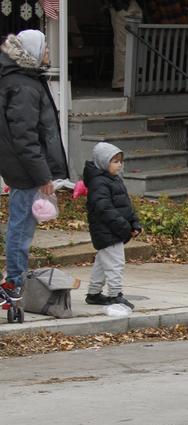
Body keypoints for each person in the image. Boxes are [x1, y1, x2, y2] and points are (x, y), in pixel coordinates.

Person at [0, 30, 69, 298]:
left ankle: (14, 280)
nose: (49, 54)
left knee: (20, 225)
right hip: (25, 169)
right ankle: (13, 283)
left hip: (20, 166)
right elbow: (26, 137)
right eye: (46, 49)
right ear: (32, 52)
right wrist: (43, 175)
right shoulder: (24, 86)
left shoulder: (21, 80)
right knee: (21, 228)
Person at [83, 142, 141, 309]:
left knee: (102, 263)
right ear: (103, 162)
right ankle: (115, 294)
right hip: (107, 231)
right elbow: (104, 208)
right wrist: (124, 227)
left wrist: (134, 222)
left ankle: (93, 293)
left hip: (115, 229)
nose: (119, 165)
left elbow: (125, 206)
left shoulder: (114, 180)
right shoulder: (99, 183)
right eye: (115, 161)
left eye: (120, 161)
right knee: (116, 263)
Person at [110, 0, 143, 89]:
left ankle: (130, 81)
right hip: (123, 6)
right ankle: (121, 82)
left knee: (134, 47)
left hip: (132, 5)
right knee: (122, 47)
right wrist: (120, 7)